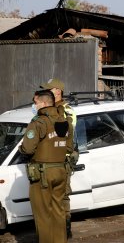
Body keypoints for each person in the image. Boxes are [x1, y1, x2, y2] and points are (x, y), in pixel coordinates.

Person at [19, 90, 73, 243]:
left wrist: (21, 149)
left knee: (43, 215)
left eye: (35, 103)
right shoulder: (65, 121)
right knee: (59, 212)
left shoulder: (39, 123)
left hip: (42, 174)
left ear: (43, 103)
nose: (34, 106)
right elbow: (69, 148)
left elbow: (28, 149)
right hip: (62, 171)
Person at [40, 78, 77, 239]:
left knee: (62, 196)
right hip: (46, 159)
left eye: (49, 89)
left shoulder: (67, 111)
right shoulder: (45, 109)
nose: (46, 92)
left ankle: (65, 229)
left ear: (57, 91)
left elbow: (65, 133)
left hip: (62, 159)